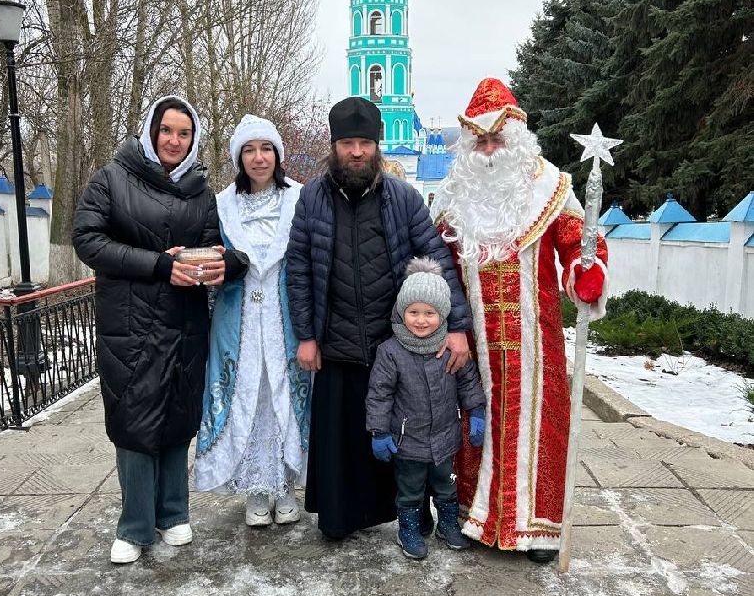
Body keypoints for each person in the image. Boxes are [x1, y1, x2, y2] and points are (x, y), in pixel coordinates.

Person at [432, 77, 608, 564]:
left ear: (516, 140)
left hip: (536, 340)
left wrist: (586, 271)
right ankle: (478, 515)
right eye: (480, 142)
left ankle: (538, 528)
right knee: (475, 423)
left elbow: (581, 242)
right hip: (474, 341)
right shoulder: (452, 202)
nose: (489, 151)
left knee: (540, 423)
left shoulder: (552, 189)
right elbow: (437, 266)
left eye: (497, 140)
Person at [286, 95, 472, 540]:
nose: (356, 152)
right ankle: (340, 518)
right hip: (336, 341)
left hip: (394, 344)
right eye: (347, 143)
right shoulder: (312, 198)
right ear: (334, 147)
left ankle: (406, 512)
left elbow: (438, 263)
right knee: (342, 439)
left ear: (377, 146)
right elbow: (299, 270)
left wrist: (459, 327)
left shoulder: (402, 198)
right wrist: (306, 336)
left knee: (401, 432)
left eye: (364, 143)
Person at [73, 95, 248, 564]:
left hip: (186, 321)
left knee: (176, 415)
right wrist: (157, 265)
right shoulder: (112, 178)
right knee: (133, 419)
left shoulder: (199, 191)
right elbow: (88, 239)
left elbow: (215, 244)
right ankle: (133, 526)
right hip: (129, 324)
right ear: (151, 132)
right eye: (166, 130)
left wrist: (219, 266)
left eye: (184, 133)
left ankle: (173, 513)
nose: (174, 140)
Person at [194, 114, 311, 526]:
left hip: (285, 320)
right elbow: (207, 253)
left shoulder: (300, 199)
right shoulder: (222, 203)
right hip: (237, 320)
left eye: (266, 149)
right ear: (238, 157)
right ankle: (256, 490)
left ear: (277, 155)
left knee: (285, 397)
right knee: (248, 395)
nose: (259, 158)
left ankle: (286, 488)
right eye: (249, 150)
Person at [366, 258, 487, 560]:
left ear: (442, 313)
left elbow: (468, 380)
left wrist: (477, 413)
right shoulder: (391, 351)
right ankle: (408, 529)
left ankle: (447, 525)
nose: (421, 320)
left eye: (429, 313)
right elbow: (380, 394)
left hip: (445, 438)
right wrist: (379, 431)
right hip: (408, 441)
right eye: (414, 312)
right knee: (410, 490)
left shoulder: (451, 347)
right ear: (402, 312)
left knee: (446, 486)